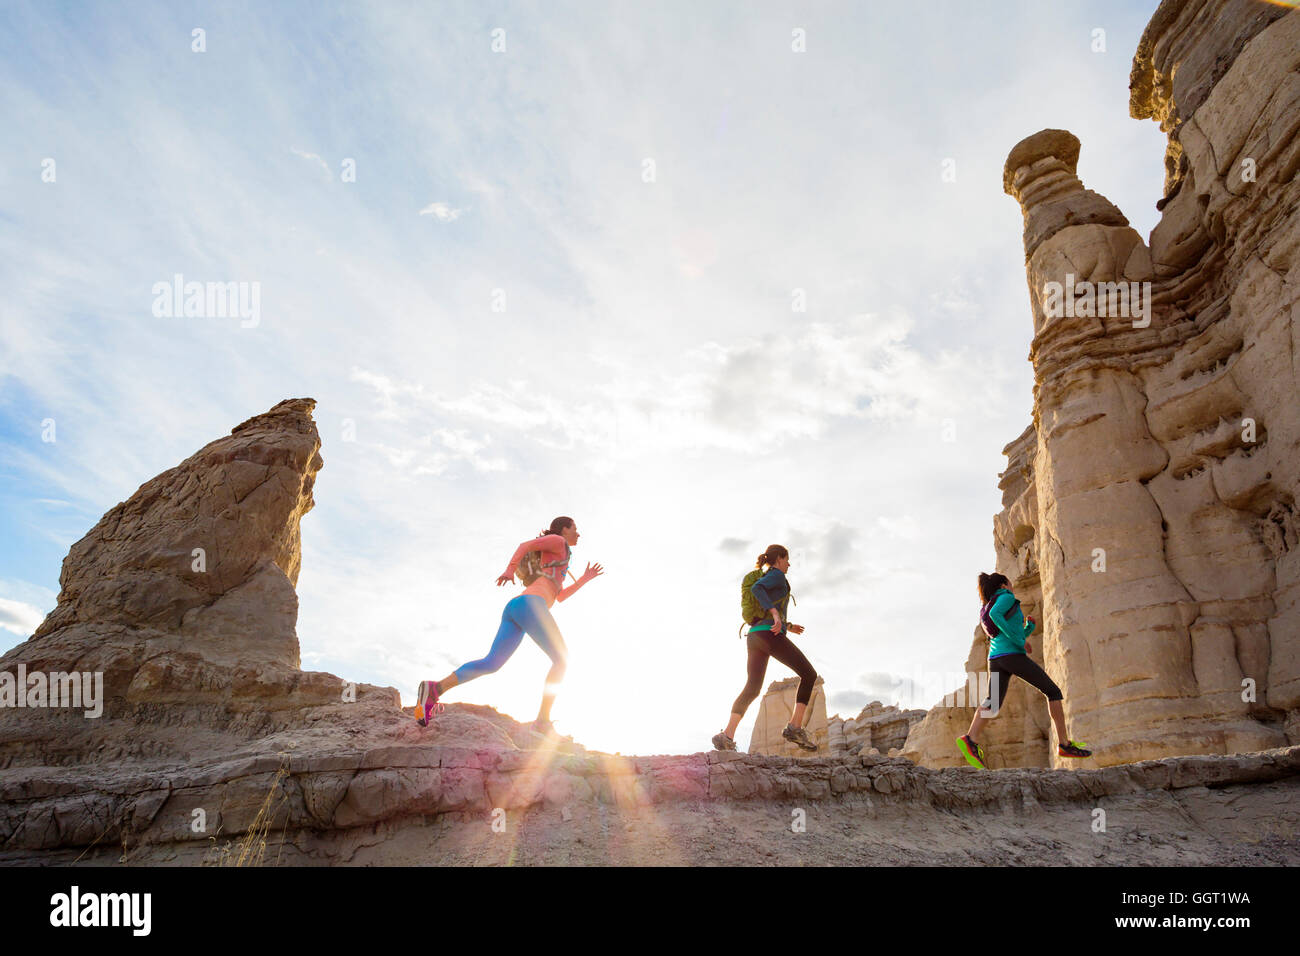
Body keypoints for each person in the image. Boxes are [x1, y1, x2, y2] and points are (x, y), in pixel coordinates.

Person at [414, 516, 603, 734]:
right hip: (531, 605)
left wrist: (585, 579)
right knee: (562, 660)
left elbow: (559, 597)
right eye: (575, 529)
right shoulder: (558, 541)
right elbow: (526, 545)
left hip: (517, 607)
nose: (578, 533)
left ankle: (435, 689)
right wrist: (510, 570)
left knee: (492, 663)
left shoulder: (559, 560)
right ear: (564, 529)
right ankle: (542, 722)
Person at [957, 571, 1091, 768]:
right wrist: (1020, 640)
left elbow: (1002, 628)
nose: (1012, 585)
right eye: (1009, 582)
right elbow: (998, 618)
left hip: (996, 658)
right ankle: (1064, 744)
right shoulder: (1005, 597)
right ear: (1004, 584)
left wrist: (1027, 629)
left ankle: (970, 739)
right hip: (1011, 655)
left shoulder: (988, 604)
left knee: (993, 703)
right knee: (1053, 692)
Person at [713, 544, 818, 752]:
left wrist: (788, 625)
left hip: (755, 635)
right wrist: (777, 615)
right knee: (809, 674)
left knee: (752, 687)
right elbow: (757, 589)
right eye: (787, 559)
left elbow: (763, 607)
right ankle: (795, 727)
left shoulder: (769, 575)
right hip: (769, 635)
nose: (788, 564)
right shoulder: (777, 575)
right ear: (779, 558)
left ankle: (727, 735)